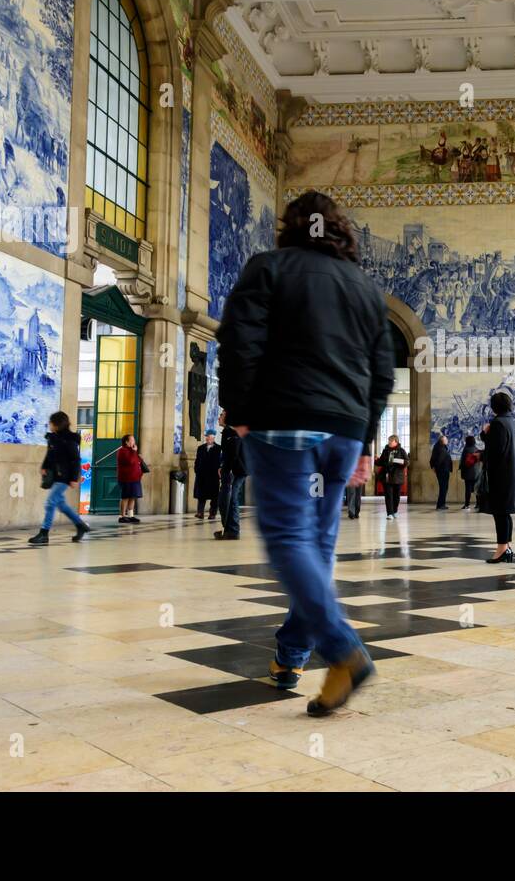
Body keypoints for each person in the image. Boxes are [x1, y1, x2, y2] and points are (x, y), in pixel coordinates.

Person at [216, 190, 395, 716]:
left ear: (290, 227)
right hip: (341, 433)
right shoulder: (364, 288)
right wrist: (364, 439)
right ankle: (291, 654)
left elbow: (238, 342)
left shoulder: (267, 268)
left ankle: (345, 652)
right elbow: (380, 372)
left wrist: (238, 408)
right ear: (339, 229)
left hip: (284, 422)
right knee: (314, 548)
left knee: (289, 540)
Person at [29, 411, 90, 545]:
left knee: (50, 503)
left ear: (58, 425)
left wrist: (74, 478)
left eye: (51, 422)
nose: (49, 425)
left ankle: (44, 534)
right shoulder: (53, 438)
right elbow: (49, 454)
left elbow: (75, 459)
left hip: (65, 476)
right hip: (55, 475)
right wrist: (44, 466)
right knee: (61, 505)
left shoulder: (69, 440)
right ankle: (81, 526)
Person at [482, 392, 515, 562]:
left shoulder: (498, 423)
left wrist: (485, 434)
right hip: (511, 473)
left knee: (499, 512)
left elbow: (495, 450)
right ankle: (506, 547)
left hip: (501, 475)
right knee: (505, 513)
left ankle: (501, 549)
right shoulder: (511, 422)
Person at [215, 410, 247, 540]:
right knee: (229, 499)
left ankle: (233, 530)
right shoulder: (228, 431)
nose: (219, 417)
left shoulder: (231, 431)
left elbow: (233, 454)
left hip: (237, 470)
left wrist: (225, 469)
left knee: (232, 498)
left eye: (221, 415)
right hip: (235, 469)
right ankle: (229, 529)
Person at [375, 436, 408, 518]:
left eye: (391, 441)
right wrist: (376, 460)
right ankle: (389, 513)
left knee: (396, 496)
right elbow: (381, 462)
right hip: (387, 476)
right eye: (389, 440)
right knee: (388, 495)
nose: (389, 442)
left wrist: (400, 461)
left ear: (396, 441)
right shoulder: (385, 450)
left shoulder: (401, 450)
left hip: (397, 476)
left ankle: (395, 511)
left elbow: (407, 462)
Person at [193, 431, 221, 520]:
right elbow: (197, 461)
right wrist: (196, 470)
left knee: (214, 496)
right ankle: (200, 512)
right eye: (207, 437)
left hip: (213, 475)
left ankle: (212, 513)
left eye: (210, 437)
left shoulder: (218, 448)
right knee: (201, 495)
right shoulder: (200, 448)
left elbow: (220, 461)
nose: (208, 439)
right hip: (202, 475)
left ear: (213, 438)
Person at [116, 434, 143, 524]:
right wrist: (134, 452)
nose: (134, 442)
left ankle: (130, 515)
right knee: (125, 497)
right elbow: (130, 461)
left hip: (135, 478)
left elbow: (137, 462)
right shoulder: (122, 451)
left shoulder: (132, 451)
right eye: (132, 440)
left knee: (133, 497)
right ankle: (122, 516)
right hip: (126, 478)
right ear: (127, 442)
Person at [430, 434, 453, 510]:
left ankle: (442, 504)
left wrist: (434, 467)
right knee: (443, 488)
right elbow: (439, 461)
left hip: (442, 470)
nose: (447, 441)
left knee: (443, 488)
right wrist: (436, 468)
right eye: (446, 440)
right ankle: (440, 505)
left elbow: (432, 460)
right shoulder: (441, 449)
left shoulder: (438, 447)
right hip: (443, 471)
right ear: (442, 441)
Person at [459, 434, 481, 509]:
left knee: (467, 489)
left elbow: (463, 462)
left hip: (468, 473)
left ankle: (467, 505)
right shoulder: (476, 449)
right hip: (476, 472)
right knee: (476, 489)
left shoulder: (466, 450)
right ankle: (478, 504)